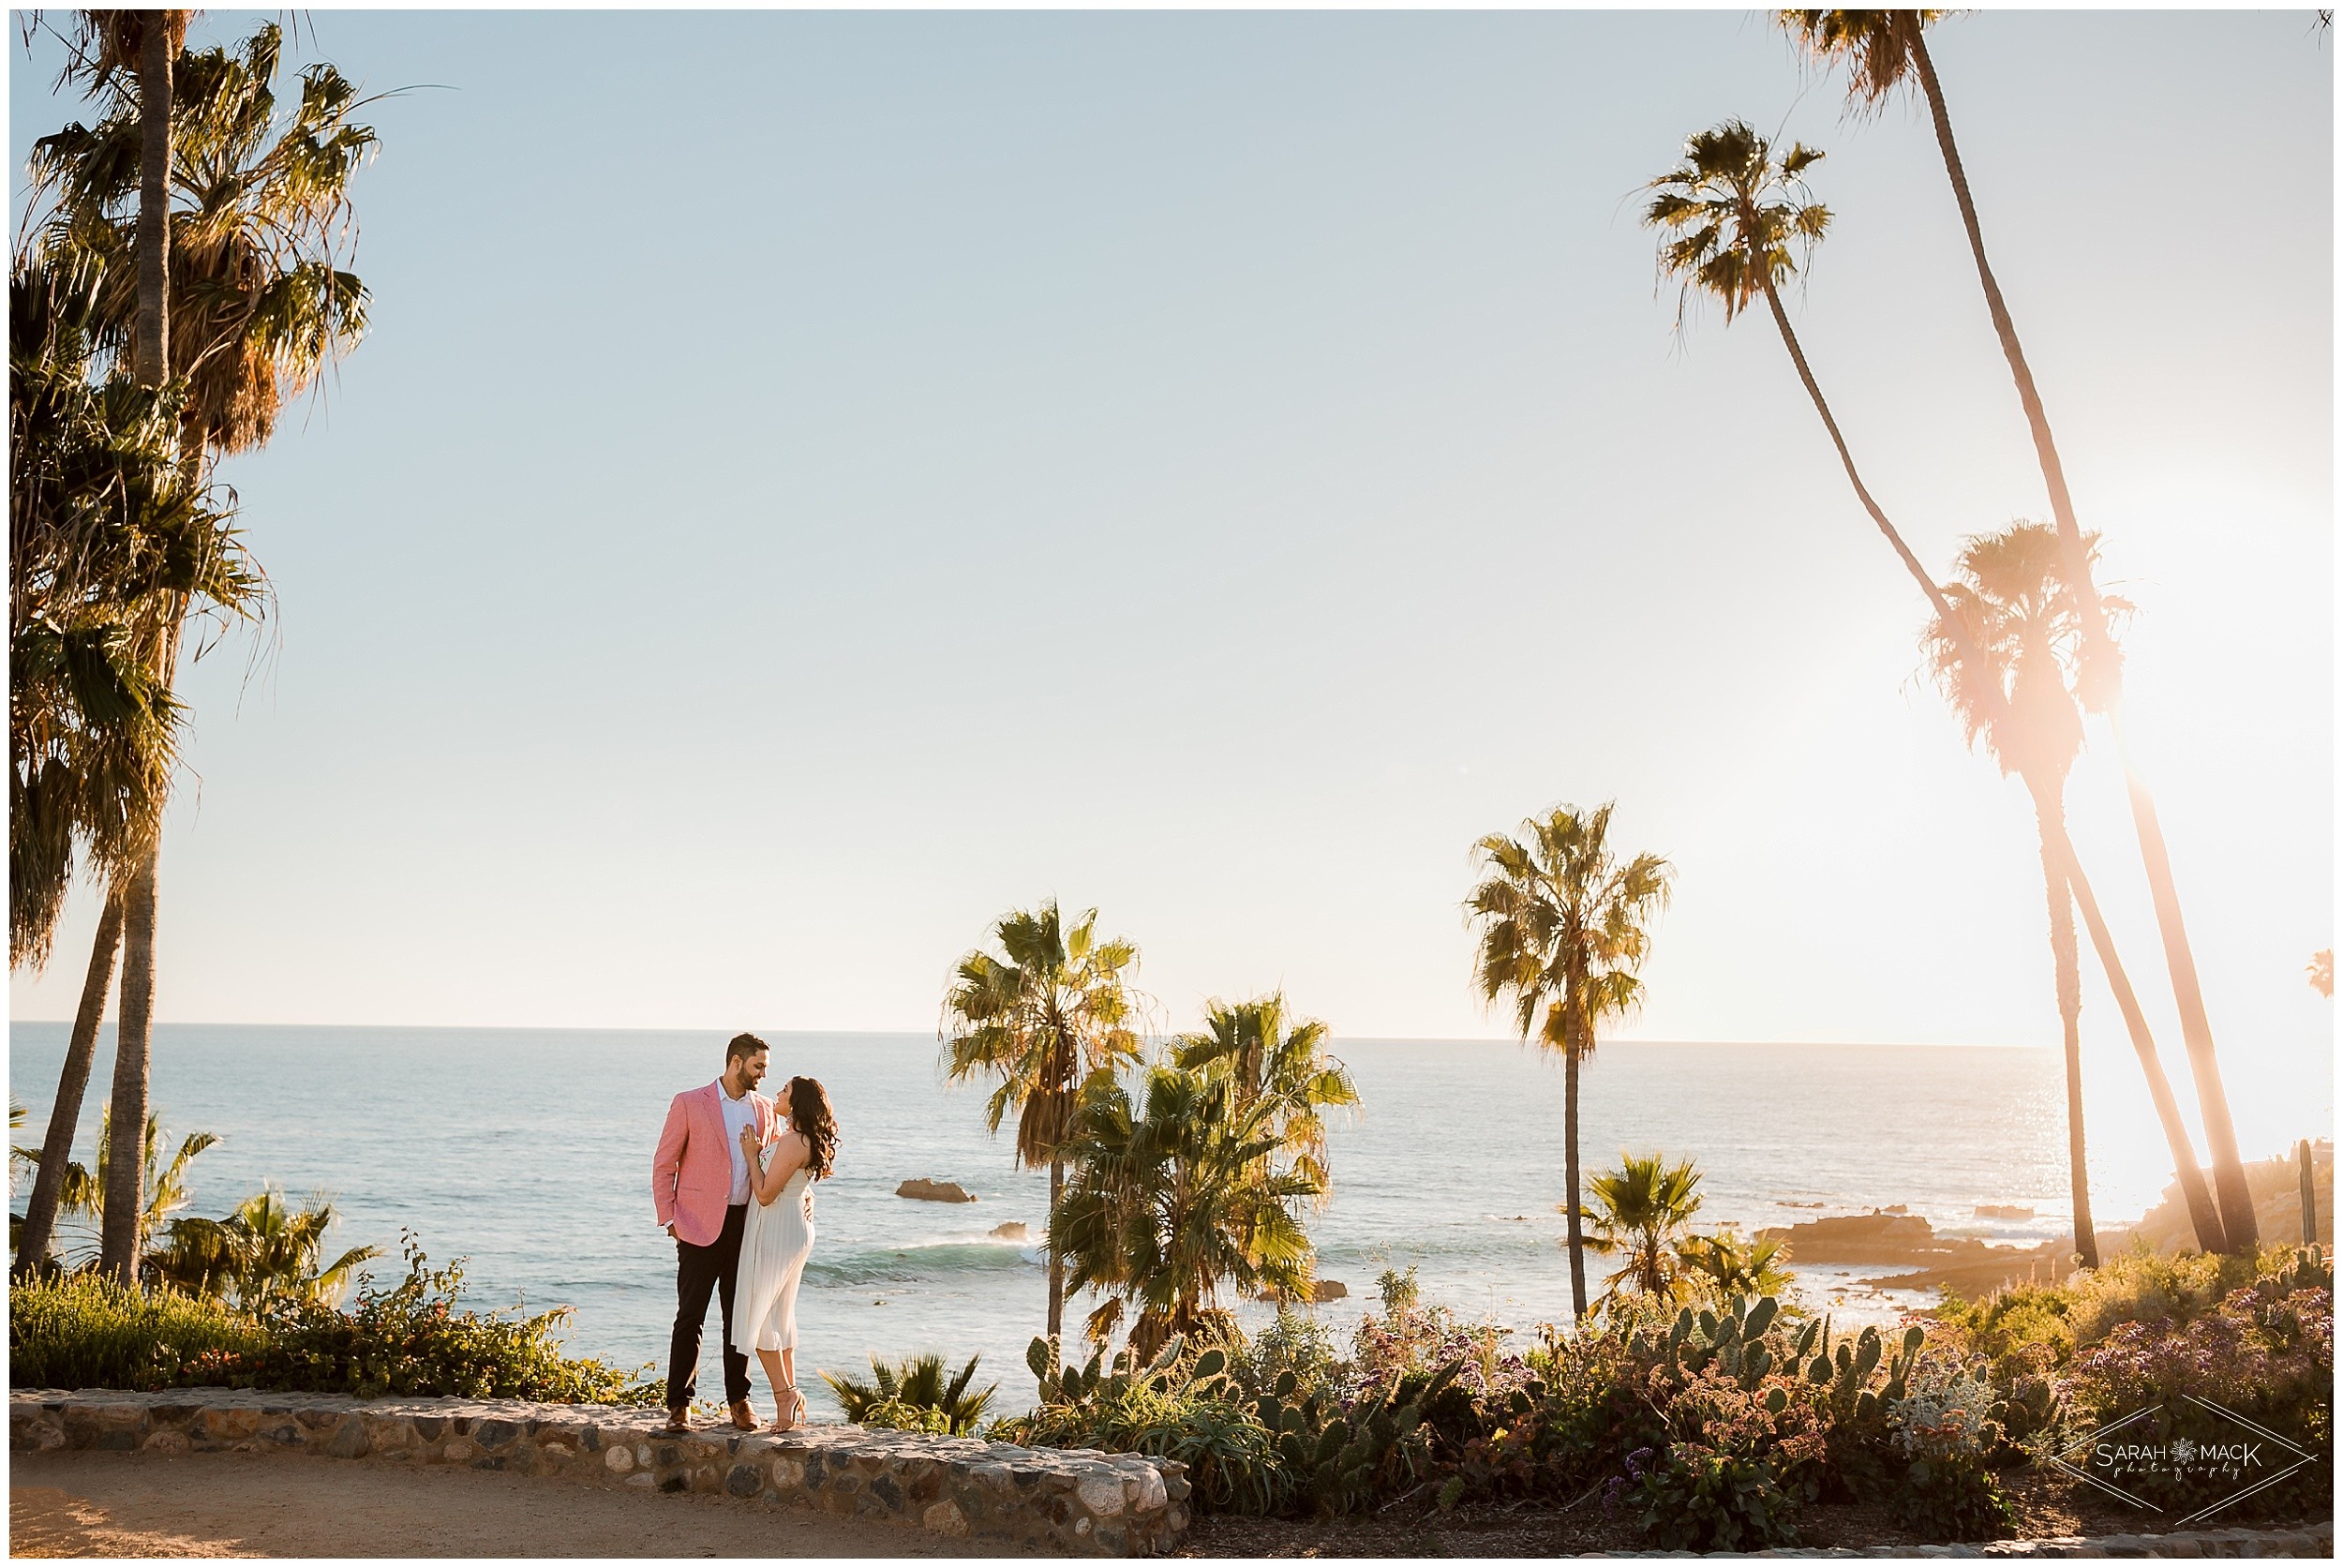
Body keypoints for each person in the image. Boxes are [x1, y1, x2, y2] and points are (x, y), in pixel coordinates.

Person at [650, 1032, 776, 1433]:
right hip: (697, 1226)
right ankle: (679, 1405)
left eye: (765, 1069)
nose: (762, 1075)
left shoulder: (766, 1109)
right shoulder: (689, 1102)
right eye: (758, 1066)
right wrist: (669, 1218)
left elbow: (778, 1161)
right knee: (690, 1316)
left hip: (746, 1226)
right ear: (736, 1062)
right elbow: (664, 1162)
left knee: (738, 1319)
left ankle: (739, 1401)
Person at [732, 1075, 837, 1430]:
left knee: (760, 1320)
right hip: (788, 1226)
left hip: (778, 1229)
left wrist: (750, 1155)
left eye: (785, 1090)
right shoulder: (798, 1139)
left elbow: (764, 1194)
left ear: (797, 1103)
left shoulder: (794, 1141)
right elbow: (797, 1183)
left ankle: (785, 1395)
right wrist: (808, 1196)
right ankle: (790, 1395)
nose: (777, 1093)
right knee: (778, 1316)